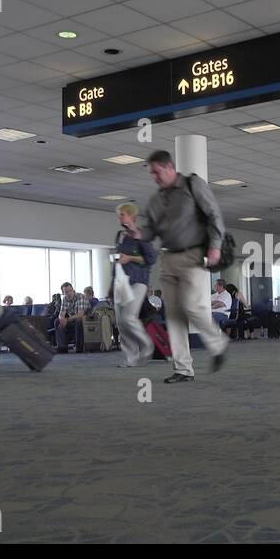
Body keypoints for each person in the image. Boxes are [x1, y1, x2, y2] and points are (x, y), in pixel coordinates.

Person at [136, 150, 228, 384]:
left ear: (169, 167)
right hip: (168, 259)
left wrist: (215, 246)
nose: (154, 177)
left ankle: (218, 343)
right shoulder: (155, 200)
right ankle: (183, 369)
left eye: (156, 172)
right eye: (151, 173)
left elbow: (214, 214)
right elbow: (150, 231)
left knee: (192, 306)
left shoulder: (192, 184)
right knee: (174, 314)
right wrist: (137, 232)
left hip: (193, 255)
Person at [112, 202, 156, 368]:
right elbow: (117, 260)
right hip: (120, 281)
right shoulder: (120, 236)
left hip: (139, 281)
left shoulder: (142, 235)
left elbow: (151, 259)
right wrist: (111, 282)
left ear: (132, 217)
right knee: (121, 322)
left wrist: (130, 258)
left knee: (129, 317)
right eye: (119, 215)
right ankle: (130, 358)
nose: (119, 218)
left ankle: (147, 345)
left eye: (122, 214)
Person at [54, 282, 88, 353]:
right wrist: (61, 319)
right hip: (72, 319)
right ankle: (62, 347)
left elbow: (80, 314)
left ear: (73, 289)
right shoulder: (64, 299)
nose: (69, 293)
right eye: (66, 292)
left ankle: (79, 347)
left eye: (70, 290)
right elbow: (61, 313)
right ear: (63, 293)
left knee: (79, 320)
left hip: (84, 319)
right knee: (57, 321)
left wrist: (67, 319)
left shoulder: (80, 296)